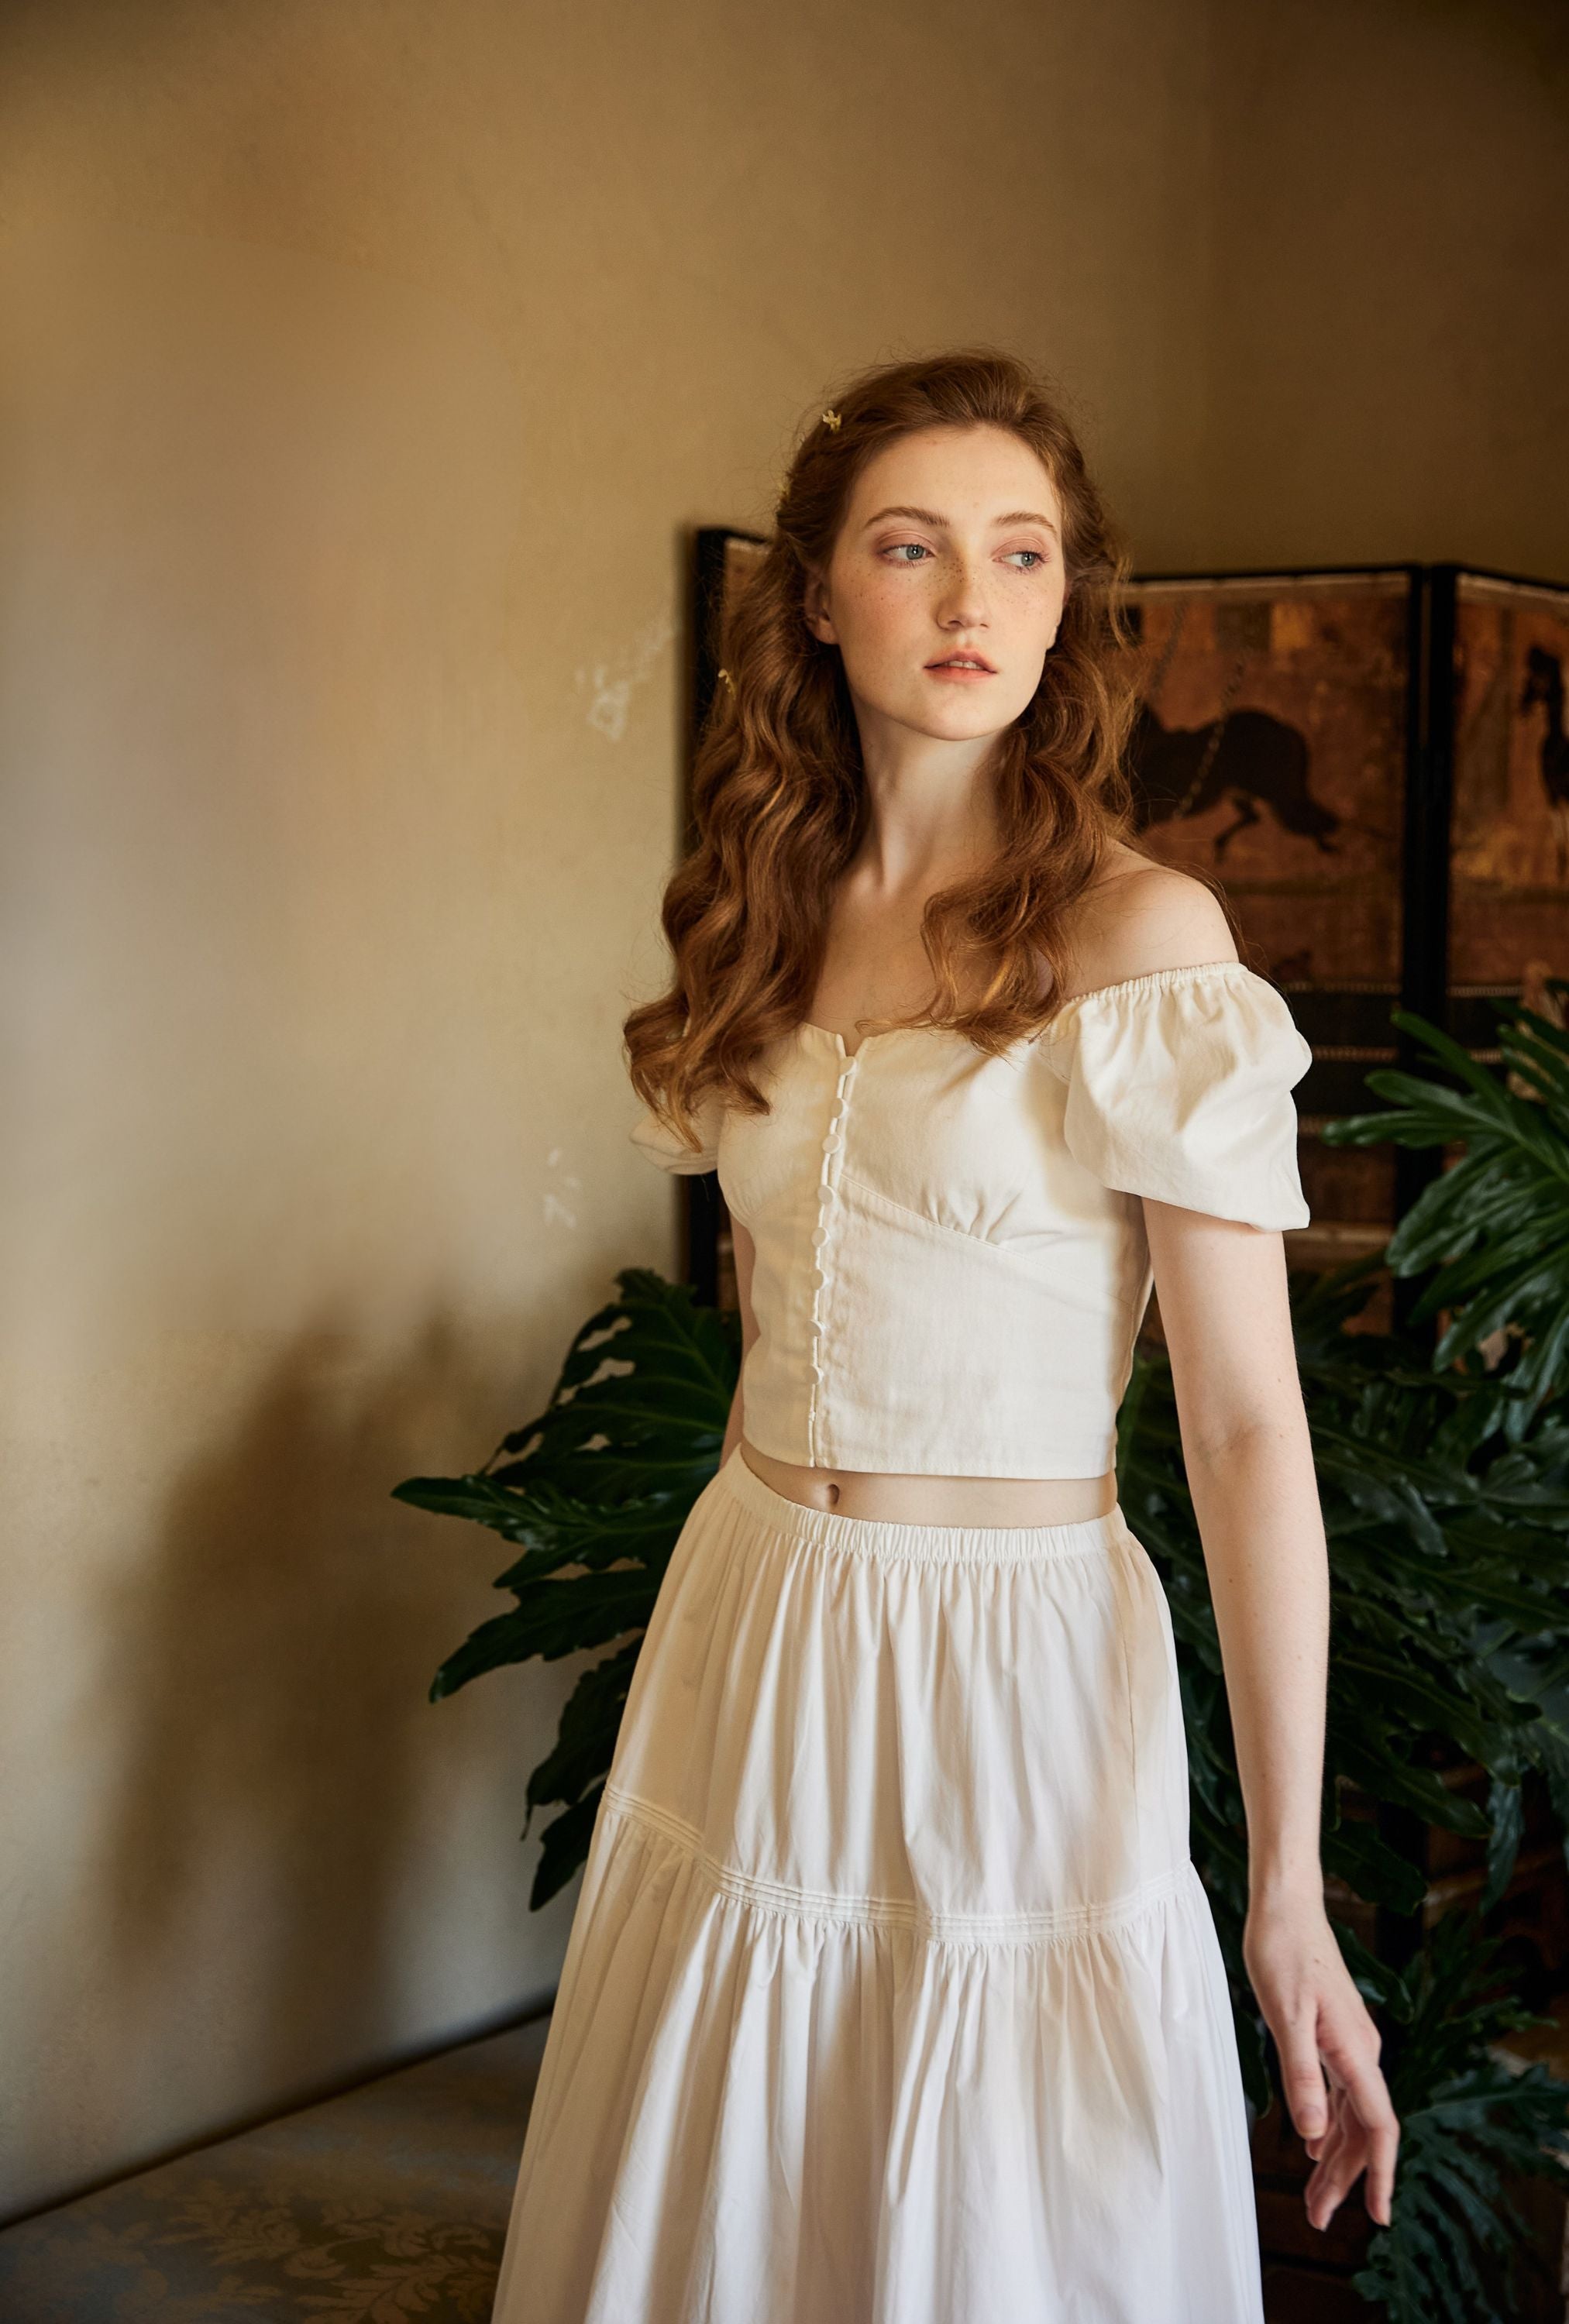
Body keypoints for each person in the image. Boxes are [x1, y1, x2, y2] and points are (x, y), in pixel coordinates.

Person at [489, 350, 1399, 2322]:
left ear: (1068, 601)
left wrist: (1286, 1894)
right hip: (753, 1611)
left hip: (1008, 1662)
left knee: (985, 2225)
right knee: (741, 2194)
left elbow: (1244, 1434)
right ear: (819, 594)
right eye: (911, 549)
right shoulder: (756, 914)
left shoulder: (1138, 939)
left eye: (1020, 552)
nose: (970, 599)